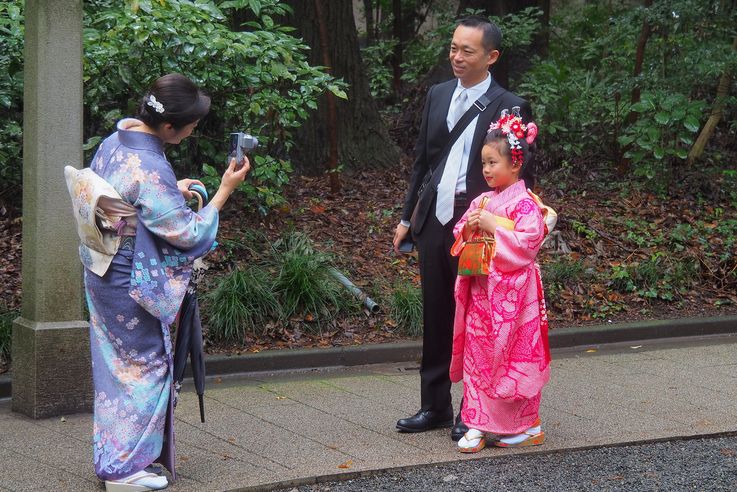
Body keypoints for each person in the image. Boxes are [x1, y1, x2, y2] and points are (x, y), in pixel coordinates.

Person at [70, 74, 250, 491]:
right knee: (144, 367)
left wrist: (172, 188)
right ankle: (124, 470)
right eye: (190, 125)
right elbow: (188, 234)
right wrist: (223, 192)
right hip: (130, 283)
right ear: (170, 127)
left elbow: (125, 197)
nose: (193, 131)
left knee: (115, 368)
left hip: (102, 270)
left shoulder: (117, 139)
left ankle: (116, 457)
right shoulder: (149, 165)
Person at [393, 16, 533, 441]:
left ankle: (476, 411)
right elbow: (422, 161)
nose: (456, 56)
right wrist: (405, 219)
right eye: (453, 48)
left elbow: (520, 170)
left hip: (479, 225)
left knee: (477, 319)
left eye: (466, 50)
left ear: (491, 56)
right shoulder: (437, 95)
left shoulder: (510, 105)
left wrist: (507, 224)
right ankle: (434, 405)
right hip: (434, 220)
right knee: (436, 312)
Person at [450, 110, 550, 452]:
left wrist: (492, 226)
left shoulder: (525, 204)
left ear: (515, 164)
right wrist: (470, 226)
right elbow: (458, 232)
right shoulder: (483, 200)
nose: (487, 170)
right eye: (484, 163)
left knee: (513, 360)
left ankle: (525, 425)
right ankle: (477, 422)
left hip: (516, 298)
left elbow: (529, 242)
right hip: (482, 295)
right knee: (478, 357)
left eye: (493, 162)